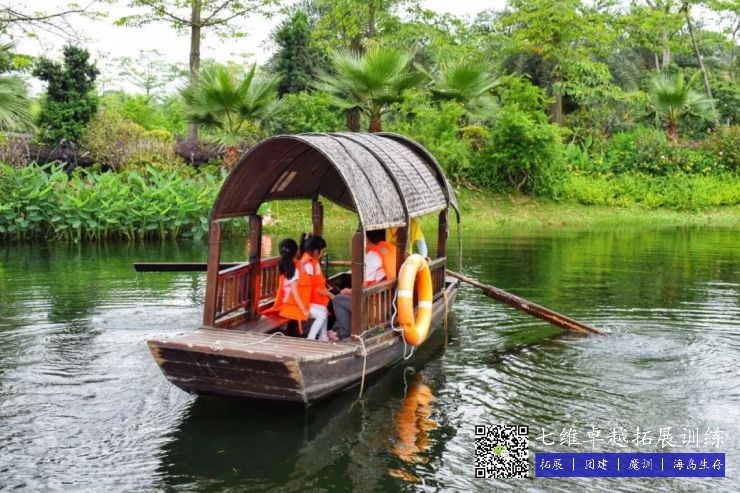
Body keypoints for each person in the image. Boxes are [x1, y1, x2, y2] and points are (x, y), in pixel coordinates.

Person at [329, 230, 397, 340]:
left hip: (375, 308)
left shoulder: (372, 256)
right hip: (390, 303)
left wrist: (347, 291)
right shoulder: (390, 250)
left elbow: (361, 290)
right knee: (348, 297)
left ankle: (344, 334)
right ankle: (338, 330)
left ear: (366, 239)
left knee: (339, 299)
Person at [261, 238, 311, 334]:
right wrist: (304, 309)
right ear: (296, 251)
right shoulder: (293, 268)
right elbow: (294, 292)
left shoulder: (288, 265)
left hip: (289, 301)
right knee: (321, 314)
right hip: (290, 303)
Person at [300, 234, 336, 342]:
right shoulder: (308, 265)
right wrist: (329, 294)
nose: (323, 253)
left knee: (324, 310)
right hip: (305, 301)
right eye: (322, 251)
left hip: (311, 298)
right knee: (322, 313)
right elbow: (311, 288)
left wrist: (327, 291)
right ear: (316, 251)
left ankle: (323, 337)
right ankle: (311, 339)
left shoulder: (313, 262)